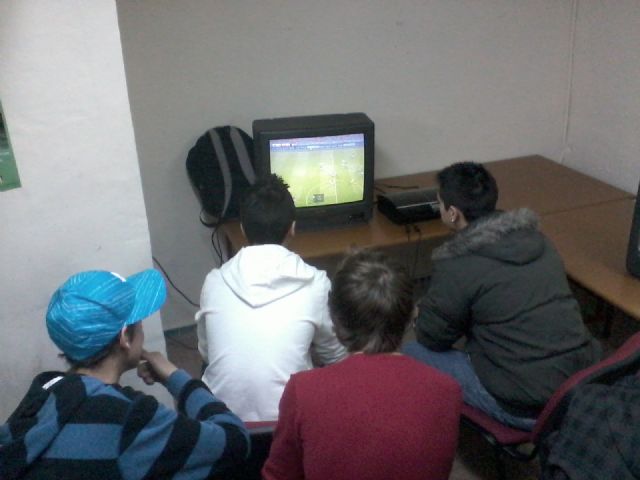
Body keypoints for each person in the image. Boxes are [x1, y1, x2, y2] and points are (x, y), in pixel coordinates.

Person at [403, 161, 601, 429]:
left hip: (527, 406)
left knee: (412, 351)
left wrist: (420, 314)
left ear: (452, 213)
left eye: (439, 203)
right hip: (580, 385)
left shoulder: (457, 263)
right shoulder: (539, 240)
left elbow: (433, 337)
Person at [0, 269, 249, 480]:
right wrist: (176, 377)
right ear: (124, 338)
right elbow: (235, 441)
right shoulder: (130, 419)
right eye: (138, 321)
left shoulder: (44, 390)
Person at [262, 249, 462, 480]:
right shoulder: (447, 390)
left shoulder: (303, 390)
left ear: (335, 321)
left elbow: (279, 475)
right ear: (411, 317)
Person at [196, 174, 347, 422]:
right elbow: (336, 358)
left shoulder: (214, 281)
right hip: (288, 425)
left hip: (224, 427)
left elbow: (207, 353)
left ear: (243, 228)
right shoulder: (316, 283)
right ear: (292, 228)